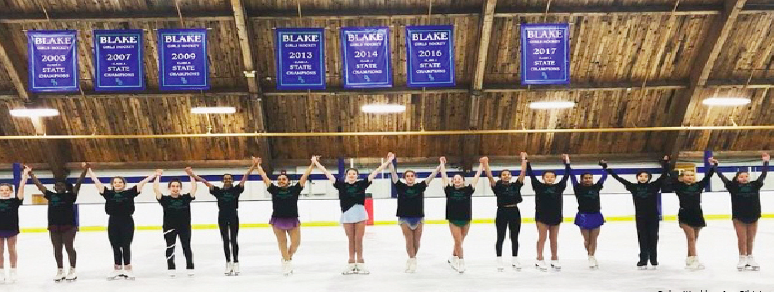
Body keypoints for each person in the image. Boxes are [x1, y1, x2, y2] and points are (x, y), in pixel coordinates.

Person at [314, 156, 392, 275]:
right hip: (347, 214)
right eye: (349, 173)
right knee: (351, 239)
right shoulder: (341, 185)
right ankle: (351, 263)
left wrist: (387, 162)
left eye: (354, 174)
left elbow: (375, 172)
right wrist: (316, 163)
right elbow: (327, 174)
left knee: (358, 239)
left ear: (357, 176)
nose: (351, 175)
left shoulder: (362, 184)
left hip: (360, 213)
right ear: (346, 175)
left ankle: (360, 263)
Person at [87, 165, 157, 280]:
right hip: (113, 221)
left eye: (120, 182)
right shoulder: (108, 194)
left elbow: (142, 183)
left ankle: (128, 269)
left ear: (124, 184)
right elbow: (96, 182)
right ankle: (117, 269)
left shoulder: (129, 193)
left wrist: (154, 175)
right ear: (112, 184)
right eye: (115, 182)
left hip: (127, 221)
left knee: (125, 245)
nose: (118, 184)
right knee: (115, 245)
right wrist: (89, 171)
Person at [188, 160, 257, 276]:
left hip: (233, 216)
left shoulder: (236, 190)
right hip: (222, 216)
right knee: (225, 240)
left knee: (234, 240)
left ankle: (236, 262)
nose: (227, 180)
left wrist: (254, 166)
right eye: (225, 178)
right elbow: (205, 182)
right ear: (222, 180)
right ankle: (228, 262)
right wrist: (193, 175)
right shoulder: (218, 191)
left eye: (229, 178)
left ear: (232, 180)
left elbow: (245, 176)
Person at [601, 157, 668, 270]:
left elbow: (664, 175)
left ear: (649, 178)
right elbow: (619, 178)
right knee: (642, 238)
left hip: (653, 217)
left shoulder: (654, 186)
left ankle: (653, 259)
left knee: (653, 237)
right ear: (637, 177)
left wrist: (666, 162)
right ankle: (643, 259)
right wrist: (606, 168)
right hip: (641, 217)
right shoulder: (633, 187)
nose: (643, 178)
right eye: (641, 176)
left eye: (645, 176)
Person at [26, 164, 88, 281]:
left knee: (69, 247)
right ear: (54, 187)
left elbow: (79, 183)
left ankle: (72, 269)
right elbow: (39, 185)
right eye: (57, 185)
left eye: (61, 185)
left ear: (65, 187)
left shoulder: (71, 195)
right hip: (54, 226)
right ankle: (60, 269)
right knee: (57, 248)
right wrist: (30, 174)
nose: (59, 187)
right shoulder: (50, 195)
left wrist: (85, 170)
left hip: (68, 226)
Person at [257, 156, 314, 275]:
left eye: (283, 179)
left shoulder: (295, 189)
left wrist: (312, 165)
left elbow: (304, 177)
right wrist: (258, 166)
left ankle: (287, 257)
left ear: (288, 181)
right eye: (279, 179)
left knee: (295, 243)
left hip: (292, 220)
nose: (281, 180)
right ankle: (286, 264)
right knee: (282, 242)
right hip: (278, 220)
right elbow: (264, 178)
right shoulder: (274, 189)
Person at [712, 153, 769, 271]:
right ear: (737, 178)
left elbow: (763, 175)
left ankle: (750, 257)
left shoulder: (754, 185)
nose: (744, 178)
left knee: (750, 238)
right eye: (741, 176)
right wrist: (716, 166)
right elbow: (722, 177)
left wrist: (765, 162)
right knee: (742, 238)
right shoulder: (733, 187)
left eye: (746, 176)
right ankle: (742, 257)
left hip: (753, 215)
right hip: (739, 216)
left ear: (748, 177)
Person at [387, 152, 440, 273]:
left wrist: (440, 166)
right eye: (408, 176)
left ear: (414, 177)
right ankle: (412, 259)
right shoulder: (400, 186)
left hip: (418, 217)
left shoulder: (420, 186)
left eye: (412, 176)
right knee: (409, 240)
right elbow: (393, 174)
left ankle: (412, 258)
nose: (410, 177)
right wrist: (390, 161)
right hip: (404, 217)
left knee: (417, 241)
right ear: (404, 178)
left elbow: (431, 176)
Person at [663, 156, 715, 270]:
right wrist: (666, 163)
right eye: (687, 175)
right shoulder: (679, 186)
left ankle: (689, 258)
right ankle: (694, 260)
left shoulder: (698, 186)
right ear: (682, 177)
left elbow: (708, 177)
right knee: (691, 238)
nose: (690, 177)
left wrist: (713, 166)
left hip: (697, 214)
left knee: (694, 239)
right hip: (685, 214)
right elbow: (671, 175)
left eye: (692, 175)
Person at [526, 153, 571, 271]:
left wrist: (567, 162)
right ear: (543, 178)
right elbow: (530, 175)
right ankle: (539, 258)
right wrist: (527, 162)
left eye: (552, 176)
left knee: (554, 239)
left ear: (555, 178)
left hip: (555, 216)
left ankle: (554, 258)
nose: (550, 178)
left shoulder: (559, 187)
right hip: (542, 216)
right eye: (547, 176)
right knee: (542, 238)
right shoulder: (538, 186)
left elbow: (567, 176)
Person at [483, 153, 527, 272]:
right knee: (500, 236)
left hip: (514, 211)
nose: (506, 176)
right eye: (503, 174)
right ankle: (499, 259)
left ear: (511, 176)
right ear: (501, 176)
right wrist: (486, 164)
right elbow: (489, 176)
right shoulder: (497, 186)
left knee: (514, 237)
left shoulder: (516, 185)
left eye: (508, 174)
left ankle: (515, 259)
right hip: (502, 212)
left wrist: (523, 159)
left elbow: (523, 172)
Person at [440, 156, 484, 273]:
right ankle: (461, 261)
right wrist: (442, 164)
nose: (457, 180)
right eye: (455, 179)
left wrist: (481, 165)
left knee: (460, 241)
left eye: (459, 179)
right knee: (458, 241)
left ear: (463, 181)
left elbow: (476, 177)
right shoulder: (449, 190)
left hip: (466, 219)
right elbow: (444, 177)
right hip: (453, 219)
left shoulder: (468, 190)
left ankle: (453, 257)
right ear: (452, 181)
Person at [154, 168, 198, 277]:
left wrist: (191, 175)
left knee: (186, 246)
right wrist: (158, 176)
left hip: (184, 227)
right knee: (170, 247)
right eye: (173, 186)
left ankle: (190, 266)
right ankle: (171, 267)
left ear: (180, 188)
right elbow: (155, 189)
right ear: (169, 188)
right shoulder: (164, 199)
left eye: (177, 186)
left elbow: (194, 188)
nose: (175, 188)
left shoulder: (186, 198)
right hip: (169, 227)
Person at [568, 161, 607, 269]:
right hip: (583, 216)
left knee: (594, 238)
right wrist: (567, 164)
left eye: (590, 178)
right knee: (587, 239)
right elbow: (572, 176)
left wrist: (604, 167)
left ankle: (591, 256)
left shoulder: (596, 187)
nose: (588, 179)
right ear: (581, 179)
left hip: (595, 215)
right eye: (586, 178)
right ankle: (590, 254)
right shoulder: (578, 188)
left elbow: (604, 177)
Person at [0, 166, 28, 283]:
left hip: (11, 228)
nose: (4, 192)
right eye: (1, 190)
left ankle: (13, 271)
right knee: (0, 251)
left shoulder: (14, 201)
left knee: (12, 249)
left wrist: (25, 175)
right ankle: (1, 272)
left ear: (10, 191)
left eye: (6, 190)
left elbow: (21, 188)